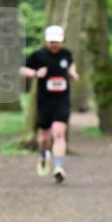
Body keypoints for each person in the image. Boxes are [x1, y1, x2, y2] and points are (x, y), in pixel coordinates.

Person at [20, 25, 78, 184]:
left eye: (57, 42)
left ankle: (58, 167)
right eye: (52, 42)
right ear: (46, 40)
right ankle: (43, 153)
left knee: (58, 133)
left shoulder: (66, 54)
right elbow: (22, 68)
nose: (54, 45)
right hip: (44, 101)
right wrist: (35, 73)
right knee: (44, 138)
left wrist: (73, 73)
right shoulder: (39, 55)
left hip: (62, 101)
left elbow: (72, 65)